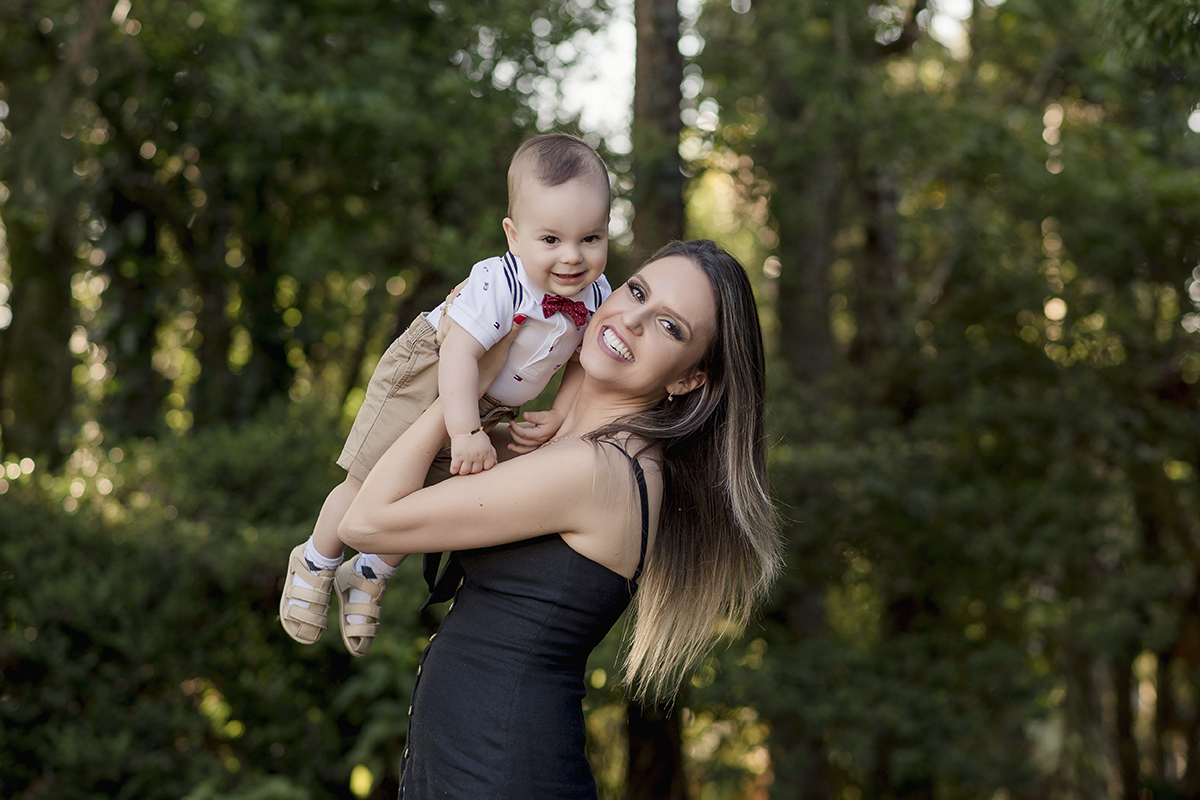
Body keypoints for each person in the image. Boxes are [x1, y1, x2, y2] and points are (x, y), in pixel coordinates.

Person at [337, 239, 784, 799]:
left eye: (670, 327)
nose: (633, 320)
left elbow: (366, 522)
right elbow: (400, 471)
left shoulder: (595, 470)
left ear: (688, 380)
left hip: (497, 773)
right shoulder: (583, 453)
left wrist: (470, 371)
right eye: (637, 292)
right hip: (472, 764)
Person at [279, 133, 613, 656]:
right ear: (514, 235)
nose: (572, 257)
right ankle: (316, 560)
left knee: (426, 489)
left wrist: (561, 414)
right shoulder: (498, 282)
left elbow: (581, 362)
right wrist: (465, 431)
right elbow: (459, 356)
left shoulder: (596, 296)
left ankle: (367, 572)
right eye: (551, 240)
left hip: (490, 403)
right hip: (430, 372)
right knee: (371, 475)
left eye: (590, 238)